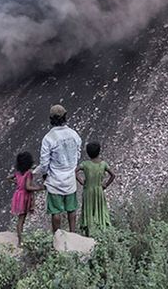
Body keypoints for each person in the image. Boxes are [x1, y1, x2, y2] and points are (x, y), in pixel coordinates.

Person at [34, 104, 82, 233]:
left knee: (56, 211)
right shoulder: (74, 134)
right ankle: (73, 234)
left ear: (51, 119)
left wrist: (42, 174)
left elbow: (44, 164)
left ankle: (57, 235)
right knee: (71, 209)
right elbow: (78, 154)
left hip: (55, 179)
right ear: (65, 117)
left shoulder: (48, 138)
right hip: (70, 178)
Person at [76, 141, 115, 236]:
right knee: (100, 209)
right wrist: (105, 185)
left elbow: (75, 171)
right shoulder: (103, 164)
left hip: (88, 191)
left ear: (88, 153)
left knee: (88, 209)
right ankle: (101, 230)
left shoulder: (85, 164)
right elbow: (113, 175)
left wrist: (81, 182)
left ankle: (89, 231)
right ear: (99, 152)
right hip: (99, 190)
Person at [8, 151, 44, 245]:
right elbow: (28, 187)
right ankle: (20, 240)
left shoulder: (18, 173)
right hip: (24, 196)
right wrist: (39, 188)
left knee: (21, 218)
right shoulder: (28, 173)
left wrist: (17, 183)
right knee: (21, 219)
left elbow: (8, 178)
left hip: (18, 195)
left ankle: (21, 238)